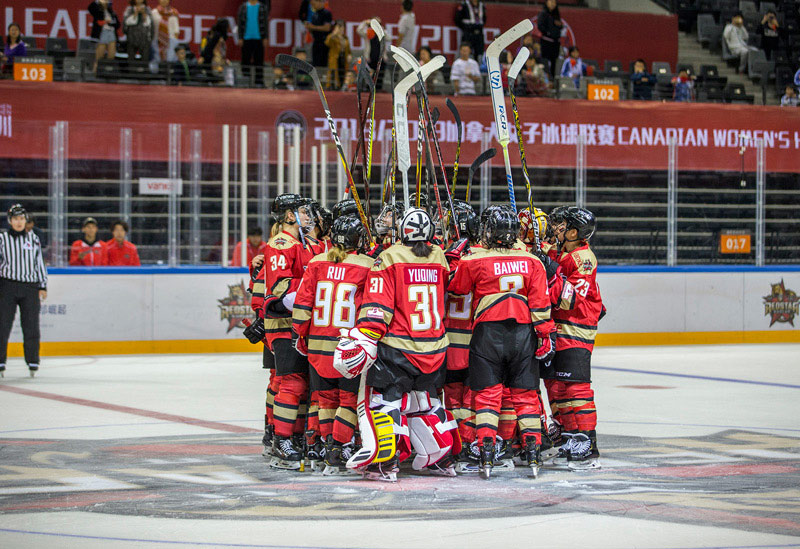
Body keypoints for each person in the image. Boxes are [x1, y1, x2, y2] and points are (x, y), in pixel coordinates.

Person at [334, 208, 457, 481]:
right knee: (424, 402)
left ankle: (384, 463)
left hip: (399, 349)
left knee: (382, 402)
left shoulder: (388, 258)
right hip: (435, 348)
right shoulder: (439, 256)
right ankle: (439, 457)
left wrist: (363, 336)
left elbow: (378, 307)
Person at [448, 205, 555, 479]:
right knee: (526, 397)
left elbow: (456, 288)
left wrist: (454, 255)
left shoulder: (474, 260)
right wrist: (544, 335)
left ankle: (486, 450)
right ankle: (532, 452)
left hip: (487, 335)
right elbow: (541, 304)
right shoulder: (532, 261)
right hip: (523, 334)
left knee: (487, 395)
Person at [292, 215, 373, 475]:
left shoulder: (317, 263)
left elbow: (302, 307)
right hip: (347, 345)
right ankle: (338, 449)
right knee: (348, 399)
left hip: (317, 344)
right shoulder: (367, 265)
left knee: (326, 400)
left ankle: (328, 447)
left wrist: (302, 336)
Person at [541, 206, 603, 470]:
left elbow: (569, 301)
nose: (557, 228)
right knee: (556, 388)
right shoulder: (563, 252)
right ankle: (569, 435)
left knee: (576, 389)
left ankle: (588, 442)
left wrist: (551, 269)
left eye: (563, 225)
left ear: (575, 232)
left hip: (575, 330)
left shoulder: (583, 259)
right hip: (559, 330)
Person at [261, 194, 317, 469]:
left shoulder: (304, 244)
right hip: (282, 325)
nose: (308, 216)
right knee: (291, 383)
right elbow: (281, 289)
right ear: (289, 215)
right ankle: (281, 441)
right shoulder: (281, 244)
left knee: (302, 386)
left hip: (300, 324)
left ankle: (291, 436)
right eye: (303, 212)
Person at [0, 204, 47, 378]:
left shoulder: (33, 238)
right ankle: (0, 362)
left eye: (21, 219)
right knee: (2, 326)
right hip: (7, 286)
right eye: (15, 219)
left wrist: (42, 285)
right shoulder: (2, 239)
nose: (19, 222)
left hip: (30, 287)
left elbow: (39, 263)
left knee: (31, 326)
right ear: (10, 221)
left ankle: (33, 361)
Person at [237, 0, 269, 87]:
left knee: (259, 61)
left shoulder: (262, 7)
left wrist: (265, 37)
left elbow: (265, 23)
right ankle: (246, 81)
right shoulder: (243, 7)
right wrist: (240, 37)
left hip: (259, 38)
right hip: (246, 38)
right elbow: (239, 23)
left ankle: (259, 82)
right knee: (245, 61)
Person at [88, 0, 120, 71]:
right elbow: (90, 8)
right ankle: (95, 72)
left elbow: (118, 25)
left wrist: (111, 23)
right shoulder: (98, 11)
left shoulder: (112, 13)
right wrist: (98, 2)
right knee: (99, 56)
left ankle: (108, 72)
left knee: (111, 56)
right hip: (102, 33)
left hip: (111, 33)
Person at [537, 0, 563, 80]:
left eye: (554, 2)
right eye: (551, 2)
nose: (552, 4)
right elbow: (540, 25)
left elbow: (559, 26)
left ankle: (553, 79)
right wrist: (548, 32)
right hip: (546, 41)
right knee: (545, 61)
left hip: (555, 43)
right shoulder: (543, 13)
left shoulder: (556, 14)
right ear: (547, 3)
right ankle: (545, 79)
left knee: (554, 62)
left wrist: (559, 25)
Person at [304, 0, 333, 69]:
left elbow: (327, 28)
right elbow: (313, 30)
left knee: (323, 63)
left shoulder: (326, 13)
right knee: (315, 63)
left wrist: (313, 27)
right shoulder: (314, 14)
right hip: (316, 42)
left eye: (314, 4)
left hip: (324, 43)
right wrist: (309, 28)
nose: (312, 6)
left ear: (320, 2)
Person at [324, 20, 351, 90]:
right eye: (339, 27)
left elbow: (348, 49)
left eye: (342, 27)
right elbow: (327, 43)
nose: (341, 29)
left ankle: (341, 87)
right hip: (335, 58)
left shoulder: (345, 38)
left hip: (343, 59)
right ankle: (332, 87)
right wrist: (334, 33)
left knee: (342, 74)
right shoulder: (333, 37)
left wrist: (349, 55)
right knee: (334, 74)